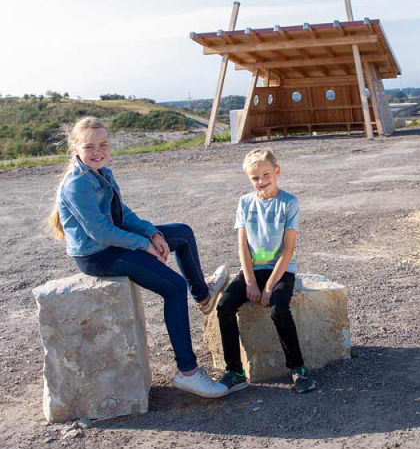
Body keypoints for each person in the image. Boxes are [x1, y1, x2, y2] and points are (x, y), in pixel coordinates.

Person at [46, 116, 229, 398]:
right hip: (98, 255)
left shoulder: (103, 172)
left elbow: (124, 215)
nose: (98, 152)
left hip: (116, 242)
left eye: (103, 145)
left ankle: (204, 297)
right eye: (90, 146)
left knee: (181, 233)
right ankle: (188, 372)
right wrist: (143, 245)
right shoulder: (76, 184)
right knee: (174, 287)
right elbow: (101, 233)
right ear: (75, 148)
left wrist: (151, 233)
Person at [216, 148, 316, 394]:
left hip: (280, 271)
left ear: (277, 171)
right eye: (255, 178)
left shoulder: (289, 203)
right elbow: (242, 246)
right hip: (252, 270)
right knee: (224, 306)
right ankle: (235, 371)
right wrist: (250, 282)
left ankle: (297, 369)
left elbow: (288, 251)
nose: (261, 181)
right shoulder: (245, 202)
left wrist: (269, 287)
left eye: (266, 174)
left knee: (279, 307)